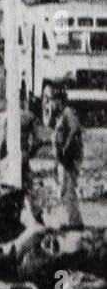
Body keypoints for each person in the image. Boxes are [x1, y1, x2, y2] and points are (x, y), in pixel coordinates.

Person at [53, 92, 85, 229]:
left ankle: (75, 223)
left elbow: (75, 129)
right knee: (65, 189)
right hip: (64, 159)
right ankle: (73, 221)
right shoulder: (60, 115)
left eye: (53, 101)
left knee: (68, 190)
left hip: (70, 158)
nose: (51, 104)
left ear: (59, 101)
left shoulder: (67, 112)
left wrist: (66, 148)